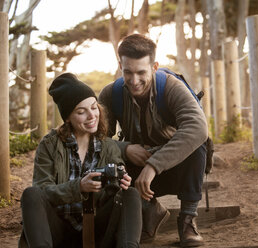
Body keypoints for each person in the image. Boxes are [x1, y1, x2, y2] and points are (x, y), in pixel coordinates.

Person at [99, 34, 208, 247]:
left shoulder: (172, 87)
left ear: (155, 66)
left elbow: (198, 128)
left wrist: (153, 165)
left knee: (198, 146)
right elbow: (95, 141)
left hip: (176, 168)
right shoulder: (111, 94)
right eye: (127, 72)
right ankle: (147, 209)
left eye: (141, 72)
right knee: (106, 162)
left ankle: (187, 220)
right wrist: (125, 148)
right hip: (134, 171)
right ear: (120, 65)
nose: (134, 80)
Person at [19, 73, 142, 248]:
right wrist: (78, 187)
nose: (92, 116)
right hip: (58, 230)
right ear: (68, 117)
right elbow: (42, 193)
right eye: (81, 112)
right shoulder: (49, 145)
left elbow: (115, 192)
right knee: (30, 194)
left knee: (130, 194)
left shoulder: (108, 146)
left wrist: (120, 181)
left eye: (94, 107)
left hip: (98, 229)